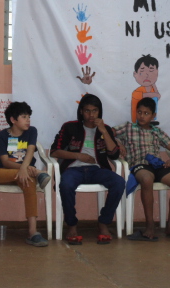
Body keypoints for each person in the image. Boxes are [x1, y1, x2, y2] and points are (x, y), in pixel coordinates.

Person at [50, 94, 125, 245]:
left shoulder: (105, 129)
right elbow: (54, 152)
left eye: (95, 111)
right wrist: (78, 156)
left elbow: (114, 154)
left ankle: (103, 223)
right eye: (87, 111)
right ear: (81, 111)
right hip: (73, 169)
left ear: (99, 112)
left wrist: (104, 131)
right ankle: (72, 225)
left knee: (119, 182)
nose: (91, 115)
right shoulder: (70, 127)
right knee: (65, 184)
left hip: (98, 170)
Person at [115, 98, 170, 241]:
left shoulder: (157, 132)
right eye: (139, 112)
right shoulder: (128, 127)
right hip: (139, 164)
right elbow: (107, 133)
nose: (142, 116)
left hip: (158, 165)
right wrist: (117, 142)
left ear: (153, 116)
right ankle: (150, 225)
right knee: (147, 179)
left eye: (146, 113)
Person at [0, 101, 49, 247]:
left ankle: (33, 232)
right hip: (7, 173)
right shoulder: (2, 135)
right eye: (24, 117)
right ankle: (37, 173)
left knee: (29, 182)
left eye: (29, 117)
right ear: (13, 120)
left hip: (25, 175)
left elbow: (31, 151)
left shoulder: (31, 131)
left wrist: (24, 170)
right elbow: (5, 161)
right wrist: (24, 170)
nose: (28, 120)